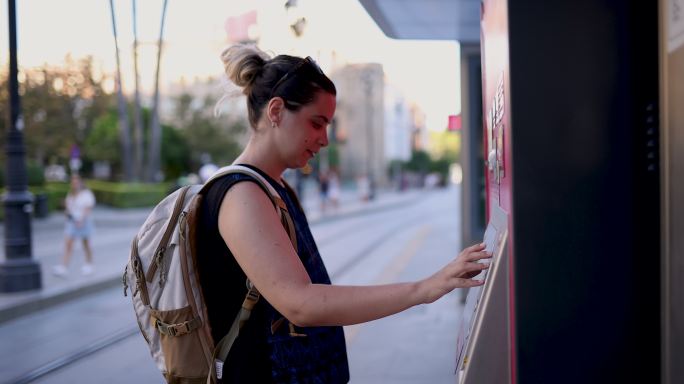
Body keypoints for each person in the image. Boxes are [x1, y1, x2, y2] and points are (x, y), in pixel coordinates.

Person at [195, 44, 491, 383]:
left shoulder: (272, 188)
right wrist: (424, 289)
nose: (325, 139)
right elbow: (301, 304)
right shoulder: (241, 195)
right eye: (317, 123)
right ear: (276, 111)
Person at [52, 174, 96, 277]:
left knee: (86, 244)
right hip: (72, 222)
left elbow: (88, 208)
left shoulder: (86, 194)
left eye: (76, 181)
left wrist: (81, 220)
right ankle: (63, 267)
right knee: (68, 244)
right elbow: (69, 208)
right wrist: (67, 212)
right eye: (73, 182)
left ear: (81, 182)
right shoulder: (71, 194)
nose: (74, 183)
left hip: (83, 222)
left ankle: (89, 265)